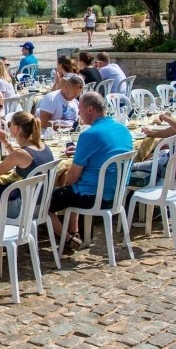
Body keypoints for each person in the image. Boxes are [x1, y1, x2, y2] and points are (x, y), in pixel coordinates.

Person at [50, 92, 134, 247]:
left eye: (80, 109)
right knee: (71, 189)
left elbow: (73, 177)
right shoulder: (123, 129)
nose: (78, 114)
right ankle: (74, 232)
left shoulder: (89, 135)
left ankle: (68, 239)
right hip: (118, 194)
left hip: (94, 197)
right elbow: (107, 151)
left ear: (89, 110)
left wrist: (61, 184)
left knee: (43, 203)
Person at [0, 111, 54, 212]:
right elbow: (20, 158)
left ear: (16, 128)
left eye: (9, 124)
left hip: (27, 207)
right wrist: (5, 141)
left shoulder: (21, 154)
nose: (8, 127)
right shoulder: (43, 146)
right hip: (44, 202)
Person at [35, 73, 83, 137]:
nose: (75, 96)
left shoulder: (75, 102)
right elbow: (44, 123)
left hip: (71, 135)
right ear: (66, 87)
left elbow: (79, 119)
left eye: (77, 94)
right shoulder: (52, 98)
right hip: (55, 136)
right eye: (73, 93)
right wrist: (69, 127)